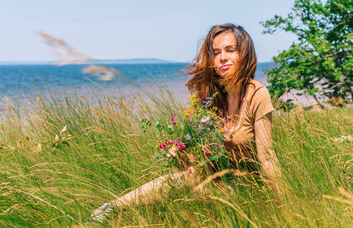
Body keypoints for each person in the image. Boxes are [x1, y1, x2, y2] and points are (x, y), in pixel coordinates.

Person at [90, 23, 281, 223]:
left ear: (244, 54)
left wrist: (284, 204)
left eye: (230, 50)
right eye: (216, 53)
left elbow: (267, 158)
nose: (222, 57)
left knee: (197, 192)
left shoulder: (257, 94)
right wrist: (181, 154)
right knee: (182, 178)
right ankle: (108, 211)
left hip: (244, 183)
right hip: (213, 175)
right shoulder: (212, 98)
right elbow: (201, 152)